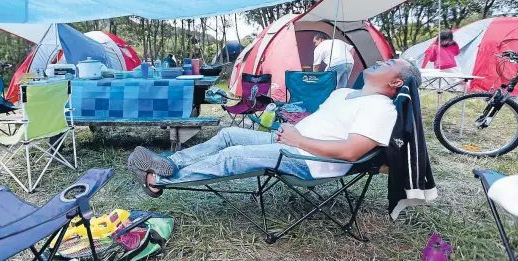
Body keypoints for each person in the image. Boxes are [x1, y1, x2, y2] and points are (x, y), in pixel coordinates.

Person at [128, 59, 422, 197]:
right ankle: (166, 163)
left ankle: (157, 180)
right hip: (293, 141)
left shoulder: (380, 109)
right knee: (229, 134)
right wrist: (291, 126)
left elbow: (348, 152)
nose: (382, 60)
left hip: (312, 162)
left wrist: (298, 139)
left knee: (235, 155)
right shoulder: (344, 92)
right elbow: (323, 124)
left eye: (390, 62)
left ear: (397, 82)